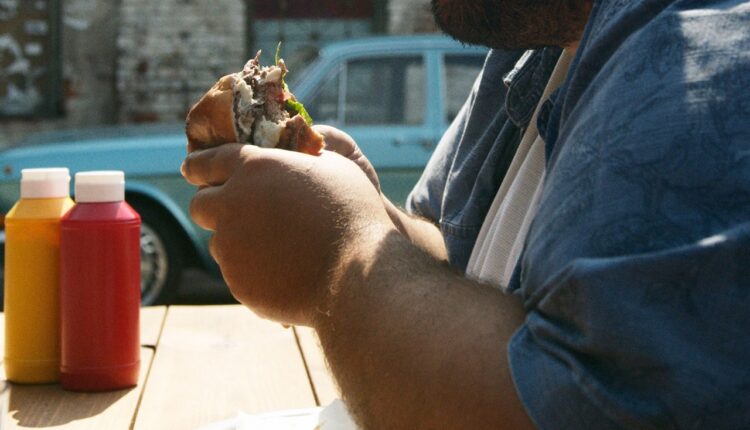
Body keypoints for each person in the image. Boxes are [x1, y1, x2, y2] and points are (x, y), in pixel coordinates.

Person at [181, 0, 750, 428]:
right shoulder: (533, 41)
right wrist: (369, 211)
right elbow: (460, 267)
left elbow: (564, 407)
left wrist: (340, 252)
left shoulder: (707, 55)